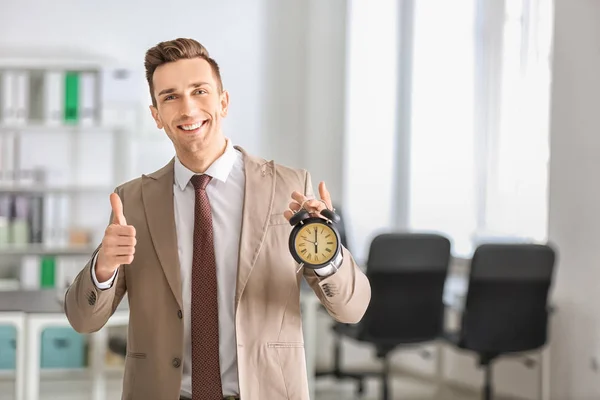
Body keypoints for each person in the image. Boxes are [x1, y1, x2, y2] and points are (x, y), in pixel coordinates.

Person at [64, 38, 371, 400]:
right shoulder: (133, 200)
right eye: (170, 97)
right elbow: (83, 320)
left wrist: (325, 251)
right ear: (156, 115)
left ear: (223, 102)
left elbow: (352, 309)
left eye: (199, 91)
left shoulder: (289, 187)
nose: (188, 108)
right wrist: (104, 267)